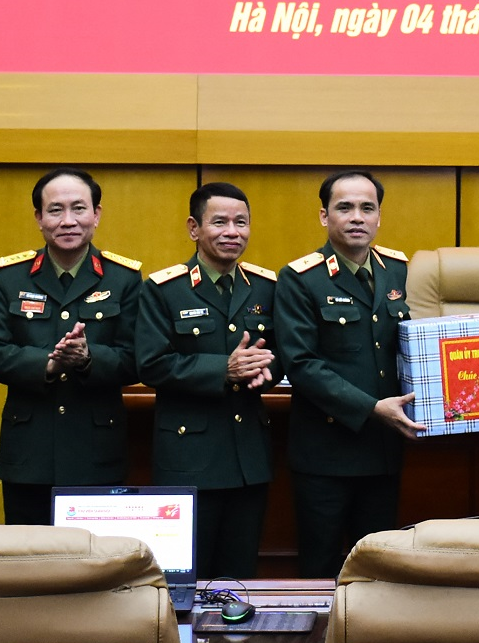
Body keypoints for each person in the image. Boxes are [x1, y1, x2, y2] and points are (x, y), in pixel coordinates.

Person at [0, 168, 142, 526]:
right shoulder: (10, 276)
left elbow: (137, 358)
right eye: (55, 210)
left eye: (79, 208)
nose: (68, 221)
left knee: (94, 557)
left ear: (96, 214)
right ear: (39, 217)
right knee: (28, 556)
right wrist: (47, 364)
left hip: (96, 451)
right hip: (28, 453)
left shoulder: (123, 278)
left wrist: (88, 359)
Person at [275, 170, 418, 579]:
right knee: (320, 570)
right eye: (345, 207)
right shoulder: (300, 278)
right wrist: (371, 408)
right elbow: (301, 364)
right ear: (325, 216)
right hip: (326, 453)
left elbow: (405, 347)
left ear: (379, 217)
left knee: (377, 569)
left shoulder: (395, 269)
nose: (357, 217)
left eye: (367, 208)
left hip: (383, 450)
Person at [137, 182, 279, 579]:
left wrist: (266, 370)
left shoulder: (265, 287)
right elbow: (150, 364)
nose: (232, 232)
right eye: (219, 222)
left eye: (241, 222)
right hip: (189, 458)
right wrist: (223, 369)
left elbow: (281, 355)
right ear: (193, 228)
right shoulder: (165, 290)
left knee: (240, 579)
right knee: (186, 580)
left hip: (248, 457)